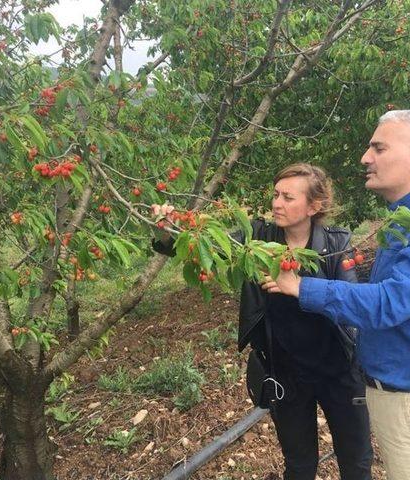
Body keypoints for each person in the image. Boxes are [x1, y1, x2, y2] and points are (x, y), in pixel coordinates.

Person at [262, 110, 410, 480]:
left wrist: (301, 286)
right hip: (395, 398)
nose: (365, 158)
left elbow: (388, 303)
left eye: (378, 148)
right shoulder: (404, 219)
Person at [153, 163, 373, 480]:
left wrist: (300, 287)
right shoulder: (256, 237)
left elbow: (350, 302)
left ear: (315, 206)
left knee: (356, 463)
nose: (276, 204)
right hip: (286, 374)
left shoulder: (336, 245)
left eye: (288, 197)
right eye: (275, 195)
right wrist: (168, 231)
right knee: (299, 466)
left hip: (338, 372)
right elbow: (208, 246)